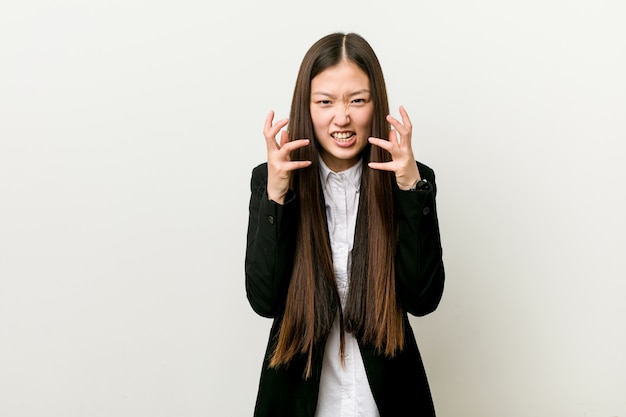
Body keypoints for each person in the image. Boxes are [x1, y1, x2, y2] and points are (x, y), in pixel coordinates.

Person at [245, 32, 445, 417]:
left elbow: (424, 300)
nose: (342, 117)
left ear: (376, 104)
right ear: (306, 107)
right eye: (325, 102)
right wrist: (277, 196)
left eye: (357, 100)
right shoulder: (269, 180)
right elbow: (264, 300)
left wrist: (409, 187)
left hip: (385, 401)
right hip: (301, 401)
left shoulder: (409, 181)